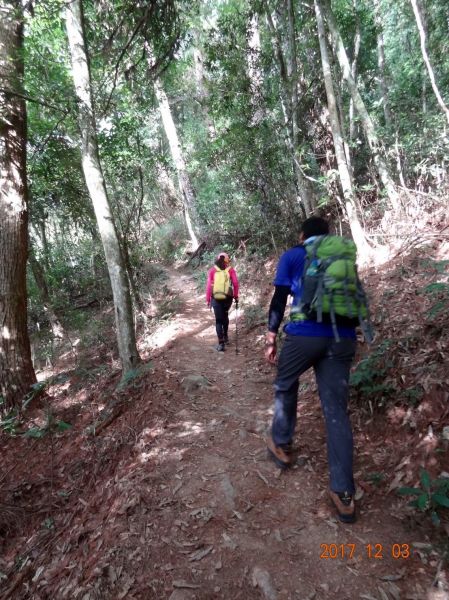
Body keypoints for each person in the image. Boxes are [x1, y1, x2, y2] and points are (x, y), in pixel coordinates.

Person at [264, 216, 359, 523]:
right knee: (336, 412)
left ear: (302, 234)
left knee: (285, 383)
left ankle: (281, 442)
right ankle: (344, 493)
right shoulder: (341, 257)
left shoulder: (293, 255)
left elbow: (280, 298)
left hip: (304, 335)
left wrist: (270, 336)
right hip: (342, 339)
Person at [206, 252, 239, 351]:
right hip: (227, 298)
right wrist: (236, 296)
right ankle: (226, 337)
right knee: (225, 316)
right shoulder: (230, 270)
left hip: (216, 298)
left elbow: (209, 286)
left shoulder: (212, 270)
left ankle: (221, 344)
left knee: (218, 320)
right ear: (227, 260)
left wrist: (208, 299)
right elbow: (236, 283)